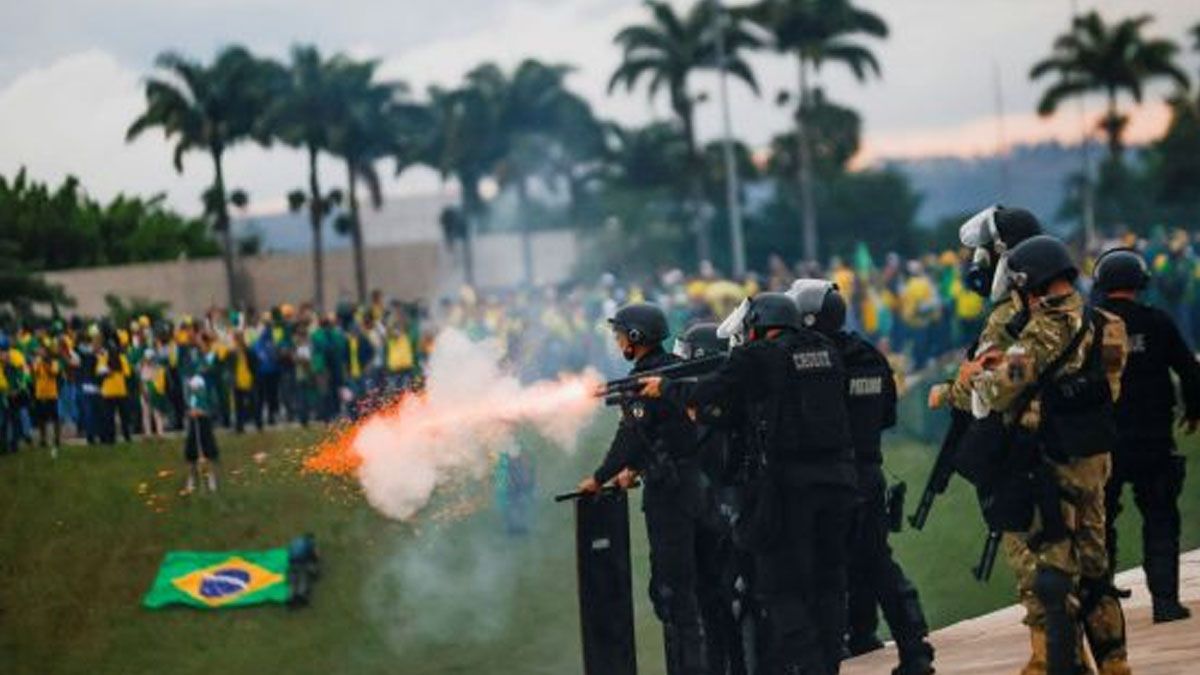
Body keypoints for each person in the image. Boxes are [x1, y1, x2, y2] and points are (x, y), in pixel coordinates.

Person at [642, 293, 858, 675]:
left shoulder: (758, 356)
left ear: (761, 323)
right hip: (840, 481)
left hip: (791, 486)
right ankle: (828, 665)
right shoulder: (826, 350)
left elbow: (710, 391)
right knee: (827, 585)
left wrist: (665, 389)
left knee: (778, 586)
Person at [971, 235, 1131, 675]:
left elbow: (1002, 390)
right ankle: (1115, 663)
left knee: (1054, 580)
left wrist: (977, 378)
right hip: (1095, 463)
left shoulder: (1035, 335)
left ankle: (1063, 667)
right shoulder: (1106, 323)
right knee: (1097, 573)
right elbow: (1111, 384)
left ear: (1032, 285)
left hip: (1052, 465)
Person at [791, 280, 935, 675]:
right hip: (870, 472)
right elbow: (887, 414)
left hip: (832, 475)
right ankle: (914, 648)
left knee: (829, 568)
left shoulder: (814, 360)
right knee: (877, 563)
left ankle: (832, 656)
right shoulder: (870, 355)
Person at [576, 303, 710, 675]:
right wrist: (634, 468)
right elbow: (664, 432)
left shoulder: (650, 380)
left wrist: (598, 477)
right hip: (691, 488)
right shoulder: (669, 372)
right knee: (693, 590)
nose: (617, 339)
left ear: (636, 338)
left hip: (671, 496)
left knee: (674, 594)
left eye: (621, 333)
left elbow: (629, 439)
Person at [1093, 248, 1199, 623]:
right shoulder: (1158, 322)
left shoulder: (1091, 329)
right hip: (1154, 439)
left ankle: (1100, 602)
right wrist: (1193, 411)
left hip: (1105, 443)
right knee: (1160, 518)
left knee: (1100, 521)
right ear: (1140, 284)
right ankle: (1166, 603)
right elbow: (1189, 370)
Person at [184, 374, 220, 493]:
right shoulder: (191, 396)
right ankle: (191, 478)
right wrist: (191, 413)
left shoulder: (207, 395)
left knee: (208, 451)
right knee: (191, 453)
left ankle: (211, 477)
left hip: (204, 426)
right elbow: (189, 408)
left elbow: (211, 410)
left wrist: (201, 413)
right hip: (194, 426)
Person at [31, 343, 62, 456]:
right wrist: (37, 364)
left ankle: (57, 438)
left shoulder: (54, 362)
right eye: (39, 351)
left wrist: (45, 364)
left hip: (51, 394)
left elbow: (53, 374)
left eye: (42, 351)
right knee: (41, 418)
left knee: (55, 417)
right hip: (40, 393)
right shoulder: (37, 361)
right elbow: (35, 374)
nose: (40, 353)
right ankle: (43, 439)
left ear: (47, 352)